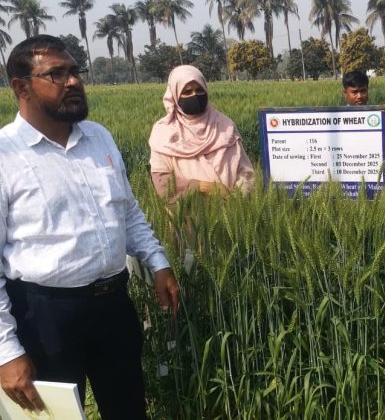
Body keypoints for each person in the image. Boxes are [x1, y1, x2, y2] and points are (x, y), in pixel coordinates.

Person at [0, 35, 179, 418]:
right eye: (57, 74)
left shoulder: (99, 137)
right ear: (21, 87)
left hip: (113, 306)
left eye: (75, 71)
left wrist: (158, 262)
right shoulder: (5, 155)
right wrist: (6, 352)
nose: (73, 81)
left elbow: (127, 211)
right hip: (43, 315)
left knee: (128, 409)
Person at [149, 65, 255, 199]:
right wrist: (203, 187)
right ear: (175, 96)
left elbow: (245, 172)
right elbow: (162, 183)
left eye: (199, 90)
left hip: (231, 207)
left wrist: (236, 197)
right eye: (187, 92)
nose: (194, 95)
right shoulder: (163, 132)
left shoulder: (225, 125)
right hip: (186, 210)